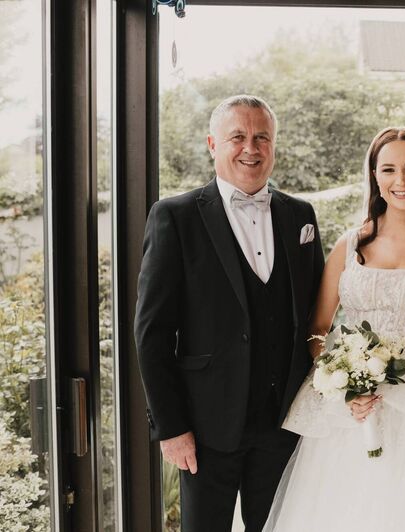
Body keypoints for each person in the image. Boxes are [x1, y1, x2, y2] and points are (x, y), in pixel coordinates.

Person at [264, 127, 405, 532]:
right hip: (353, 410)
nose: (401, 180)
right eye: (389, 169)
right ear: (375, 177)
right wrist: (343, 384)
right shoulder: (350, 244)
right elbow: (317, 330)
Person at [134, 95, 324, 531]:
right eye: (237, 136)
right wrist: (172, 426)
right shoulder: (174, 217)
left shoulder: (301, 216)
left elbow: (316, 318)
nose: (251, 149)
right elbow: (152, 333)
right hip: (205, 428)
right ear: (212, 144)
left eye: (262, 137)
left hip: (285, 423)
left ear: (275, 145)